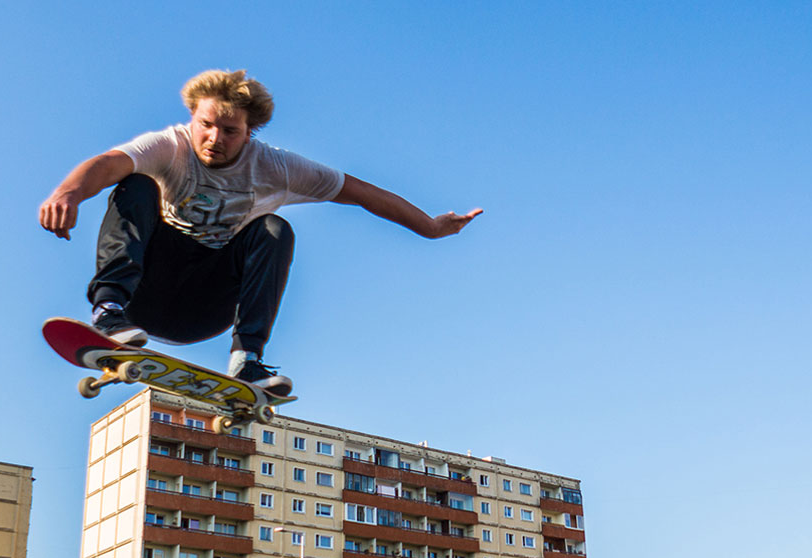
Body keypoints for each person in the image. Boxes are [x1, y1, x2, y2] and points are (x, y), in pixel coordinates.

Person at [38, 69, 481, 396]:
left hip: (204, 308)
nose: (214, 138)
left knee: (274, 228)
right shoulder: (167, 146)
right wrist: (68, 192)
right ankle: (108, 309)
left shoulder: (277, 166)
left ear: (250, 133)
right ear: (192, 117)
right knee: (134, 184)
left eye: (230, 131)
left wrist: (430, 228)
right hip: (144, 294)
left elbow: (360, 192)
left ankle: (246, 359)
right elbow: (109, 162)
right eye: (206, 125)